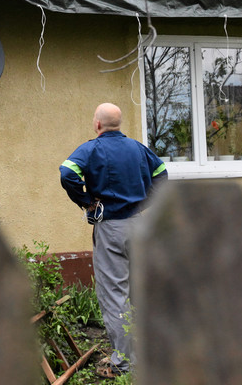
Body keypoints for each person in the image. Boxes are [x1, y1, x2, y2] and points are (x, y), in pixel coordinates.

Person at [59, 103, 168, 378]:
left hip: (111, 228)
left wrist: (86, 202)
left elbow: (67, 171)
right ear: (118, 124)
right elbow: (162, 173)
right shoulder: (137, 148)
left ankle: (123, 362)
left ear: (97, 124)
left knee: (114, 295)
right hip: (140, 226)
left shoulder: (92, 149)